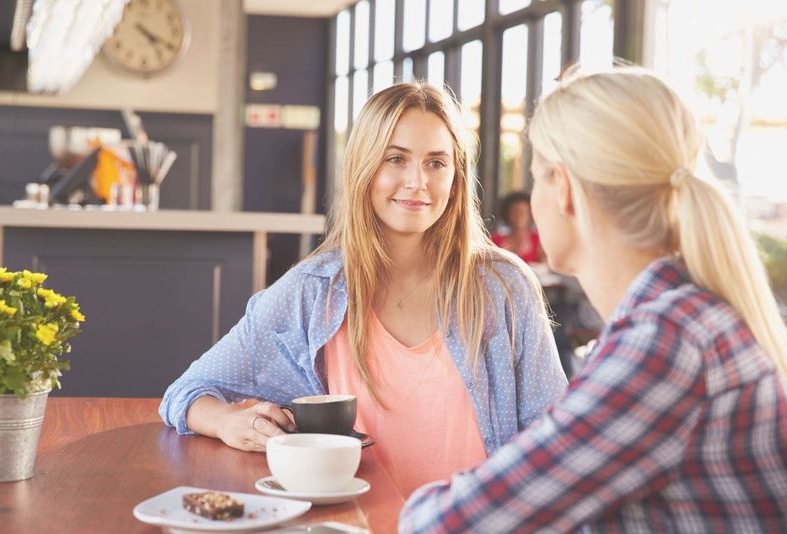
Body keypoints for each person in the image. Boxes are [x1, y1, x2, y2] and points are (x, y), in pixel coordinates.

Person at [399, 68, 787, 532]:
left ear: (563, 190)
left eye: (538, 177)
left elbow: (445, 524)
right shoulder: (686, 316)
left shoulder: (664, 343)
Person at [159, 82, 567, 498]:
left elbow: (554, 440)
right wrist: (229, 422)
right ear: (364, 167)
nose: (417, 182)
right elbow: (187, 392)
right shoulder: (313, 291)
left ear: (457, 177)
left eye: (436, 163)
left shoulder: (503, 287)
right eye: (396, 158)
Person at [491, 191, 544, 264]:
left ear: (530, 214)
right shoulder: (495, 240)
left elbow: (544, 267)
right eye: (514, 212)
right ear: (507, 214)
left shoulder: (537, 240)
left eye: (523, 212)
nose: (519, 216)